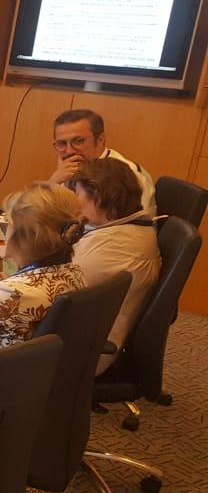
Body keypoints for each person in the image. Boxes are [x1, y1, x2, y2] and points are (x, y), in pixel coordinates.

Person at [0, 182, 86, 350]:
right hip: (36, 364)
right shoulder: (74, 273)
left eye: (8, 222)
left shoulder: (7, 295)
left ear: (23, 237)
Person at [68, 159, 161, 375]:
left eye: (77, 194)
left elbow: (54, 293)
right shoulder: (131, 229)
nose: (75, 202)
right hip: (90, 334)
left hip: (83, 351)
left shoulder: (110, 247)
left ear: (98, 196)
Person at [47, 109, 156, 216]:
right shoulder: (68, 170)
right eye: (61, 143)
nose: (69, 151)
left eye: (78, 141)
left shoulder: (129, 174)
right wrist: (53, 183)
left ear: (100, 139)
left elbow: (133, 222)